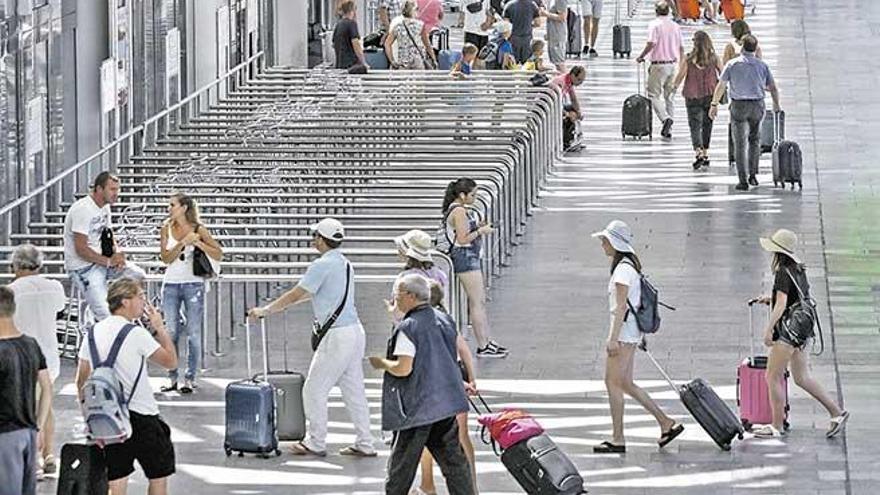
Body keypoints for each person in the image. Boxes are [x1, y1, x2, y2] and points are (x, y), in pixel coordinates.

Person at [248, 218, 376, 458]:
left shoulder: (321, 265)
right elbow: (316, 294)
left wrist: (267, 310)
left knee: (314, 389)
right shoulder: (345, 263)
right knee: (354, 390)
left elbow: (297, 293)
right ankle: (365, 442)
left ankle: (316, 442)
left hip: (336, 336)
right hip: (355, 332)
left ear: (320, 239)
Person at [369, 274, 474, 495]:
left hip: (417, 408)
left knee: (401, 468)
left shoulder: (409, 328)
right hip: (445, 404)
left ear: (410, 296)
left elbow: (404, 367)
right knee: (455, 463)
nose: (395, 299)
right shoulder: (444, 319)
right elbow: (445, 356)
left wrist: (382, 363)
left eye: (397, 295)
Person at [74, 278, 178, 495]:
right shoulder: (136, 333)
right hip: (142, 415)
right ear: (125, 301)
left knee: (117, 480)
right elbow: (171, 362)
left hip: (108, 420)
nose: (144, 302)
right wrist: (159, 327)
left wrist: (89, 417)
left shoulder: (92, 334)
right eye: (140, 296)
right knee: (158, 476)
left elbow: (81, 381)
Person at [591, 220, 684, 454]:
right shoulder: (629, 265)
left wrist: (612, 339)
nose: (602, 244)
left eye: (604, 240)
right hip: (631, 332)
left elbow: (621, 307)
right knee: (626, 383)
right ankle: (665, 422)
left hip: (623, 334)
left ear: (614, 242)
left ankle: (618, 438)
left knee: (612, 383)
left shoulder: (622, 270)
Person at [750, 229, 850, 439]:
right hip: (803, 329)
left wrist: (768, 330)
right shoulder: (798, 269)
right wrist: (770, 298)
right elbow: (797, 297)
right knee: (802, 377)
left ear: (777, 251)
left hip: (789, 331)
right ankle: (836, 412)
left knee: (772, 376)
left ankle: (776, 426)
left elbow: (782, 305)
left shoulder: (781, 272)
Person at [414, 279, 479, 495]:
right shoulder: (447, 319)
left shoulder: (422, 323)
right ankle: (471, 485)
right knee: (462, 435)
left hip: (439, 382)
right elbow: (464, 349)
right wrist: (471, 376)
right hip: (456, 377)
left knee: (427, 436)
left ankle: (427, 484)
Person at [7, 245, 65, 478]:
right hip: (49, 357)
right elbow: (59, 310)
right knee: (46, 407)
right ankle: (49, 454)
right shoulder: (55, 287)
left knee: (24, 411)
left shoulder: (10, 292)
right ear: (39, 265)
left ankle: (34, 460)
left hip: (20, 358)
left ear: (16, 266)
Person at [158, 193, 223, 394]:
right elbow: (165, 258)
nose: (169, 208)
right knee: (172, 331)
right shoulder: (166, 228)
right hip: (171, 284)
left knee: (193, 333)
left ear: (183, 208)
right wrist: (182, 243)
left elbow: (218, 253)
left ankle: (190, 377)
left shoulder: (199, 229)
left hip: (193, 284)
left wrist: (198, 243)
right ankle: (172, 376)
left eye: (172, 205)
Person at [64, 171, 146, 322]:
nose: (116, 193)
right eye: (112, 189)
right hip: (84, 268)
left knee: (138, 275)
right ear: (99, 189)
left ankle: (126, 314)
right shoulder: (82, 209)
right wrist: (108, 262)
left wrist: (118, 253)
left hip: (103, 263)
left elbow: (109, 235)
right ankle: (108, 324)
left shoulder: (105, 207)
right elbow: (80, 249)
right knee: (106, 316)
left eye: (118, 189)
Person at [443, 179, 508, 358]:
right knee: (477, 302)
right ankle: (482, 344)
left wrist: (478, 227)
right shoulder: (459, 211)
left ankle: (486, 340)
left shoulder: (458, 210)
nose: (474, 198)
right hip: (465, 257)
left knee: (479, 301)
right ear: (462, 195)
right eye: (472, 195)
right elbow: (463, 239)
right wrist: (481, 231)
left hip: (467, 256)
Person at [708, 34, 780, 191]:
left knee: (740, 143)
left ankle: (742, 180)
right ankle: (753, 174)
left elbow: (721, 85)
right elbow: (773, 87)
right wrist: (776, 104)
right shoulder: (762, 66)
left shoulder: (732, 64)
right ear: (756, 48)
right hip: (757, 105)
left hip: (739, 106)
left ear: (742, 47)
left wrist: (714, 104)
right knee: (755, 140)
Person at [0, 286, 52, 495]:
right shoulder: (31, 344)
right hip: (29, 432)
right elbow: (47, 388)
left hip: (5, 435)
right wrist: (38, 426)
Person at [673, 30, 722, 170]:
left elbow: (680, 76)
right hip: (710, 95)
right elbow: (723, 74)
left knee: (694, 126)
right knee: (708, 124)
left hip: (692, 95)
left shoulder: (689, 59)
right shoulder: (714, 58)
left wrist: (673, 88)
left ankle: (698, 152)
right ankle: (706, 153)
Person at [636, 2, 684, 140]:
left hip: (658, 65)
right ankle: (669, 129)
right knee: (669, 97)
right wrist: (681, 64)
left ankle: (665, 119)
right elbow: (681, 47)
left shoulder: (654, 25)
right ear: (668, 11)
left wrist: (641, 56)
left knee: (653, 95)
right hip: (672, 65)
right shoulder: (675, 26)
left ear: (656, 11)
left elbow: (651, 43)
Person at [385, 0, 437, 70]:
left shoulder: (397, 26)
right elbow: (427, 45)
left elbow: (387, 44)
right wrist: (433, 59)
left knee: (402, 80)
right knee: (418, 80)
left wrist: (392, 60)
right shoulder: (420, 25)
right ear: (414, 11)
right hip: (417, 62)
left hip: (403, 63)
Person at [333, 1, 366, 70]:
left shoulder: (338, 25)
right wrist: (363, 63)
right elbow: (356, 44)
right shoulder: (351, 24)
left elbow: (334, 44)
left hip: (340, 65)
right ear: (352, 10)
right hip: (351, 66)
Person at [543, 0, 568, 71]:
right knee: (556, 62)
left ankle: (566, 80)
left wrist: (546, 14)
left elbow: (562, 17)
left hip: (558, 34)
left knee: (559, 62)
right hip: (552, 34)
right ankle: (561, 79)